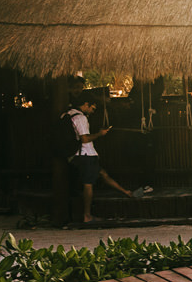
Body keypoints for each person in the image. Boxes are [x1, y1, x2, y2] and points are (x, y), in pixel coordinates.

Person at [62, 94, 148, 223]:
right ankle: (87, 216)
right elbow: (84, 139)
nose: (93, 111)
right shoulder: (80, 118)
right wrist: (100, 134)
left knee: (102, 173)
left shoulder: (68, 114)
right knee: (88, 184)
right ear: (86, 104)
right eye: (92, 108)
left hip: (79, 154)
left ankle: (127, 192)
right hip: (85, 154)